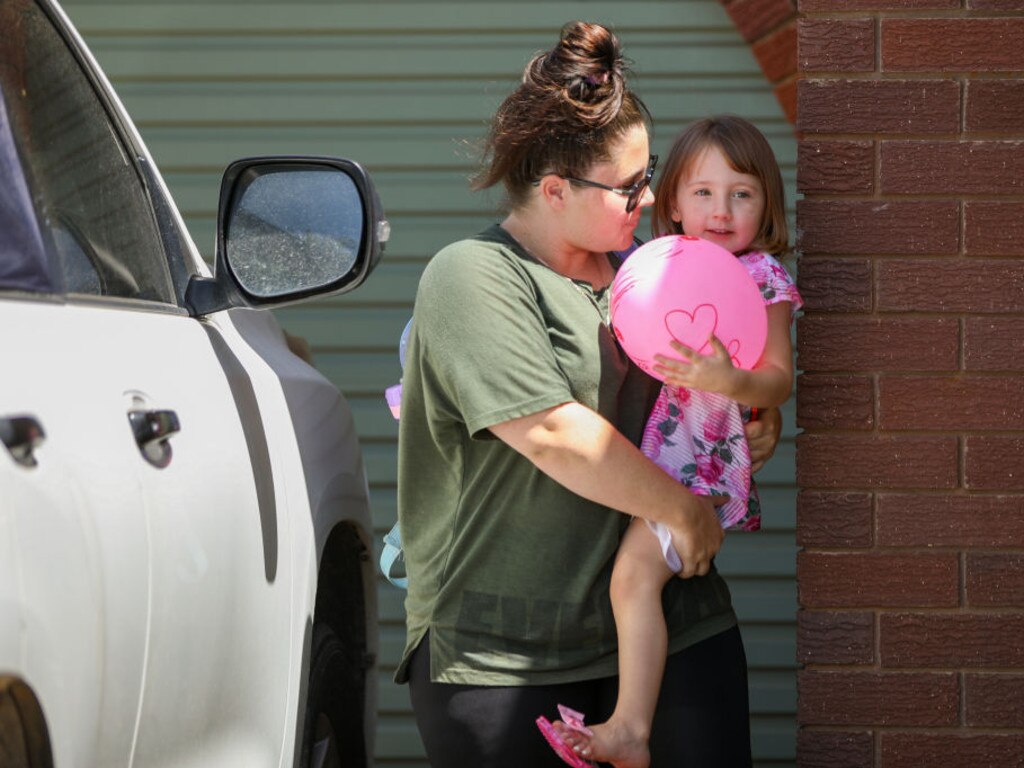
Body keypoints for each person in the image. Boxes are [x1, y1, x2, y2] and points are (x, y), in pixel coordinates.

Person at [394, 24, 781, 768]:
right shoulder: (473, 276)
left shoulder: (655, 269)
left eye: (650, 173)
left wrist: (752, 419)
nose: (649, 196)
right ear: (554, 190)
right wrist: (681, 506)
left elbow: (723, 369)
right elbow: (554, 434)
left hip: (674, 627)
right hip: (506, 657)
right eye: (629, 186)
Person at [561, 115, 803, 768]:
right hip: (668, 457)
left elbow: (777, 381)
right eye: (703, 193)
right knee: (636, 577)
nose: (721, 211)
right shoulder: (659, 267)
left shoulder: (764, 277)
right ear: (671, 202)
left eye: (742, 194)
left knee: (634, 579)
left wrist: (734, 380)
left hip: (704, 465)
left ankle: (629, 729)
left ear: (766, 205)